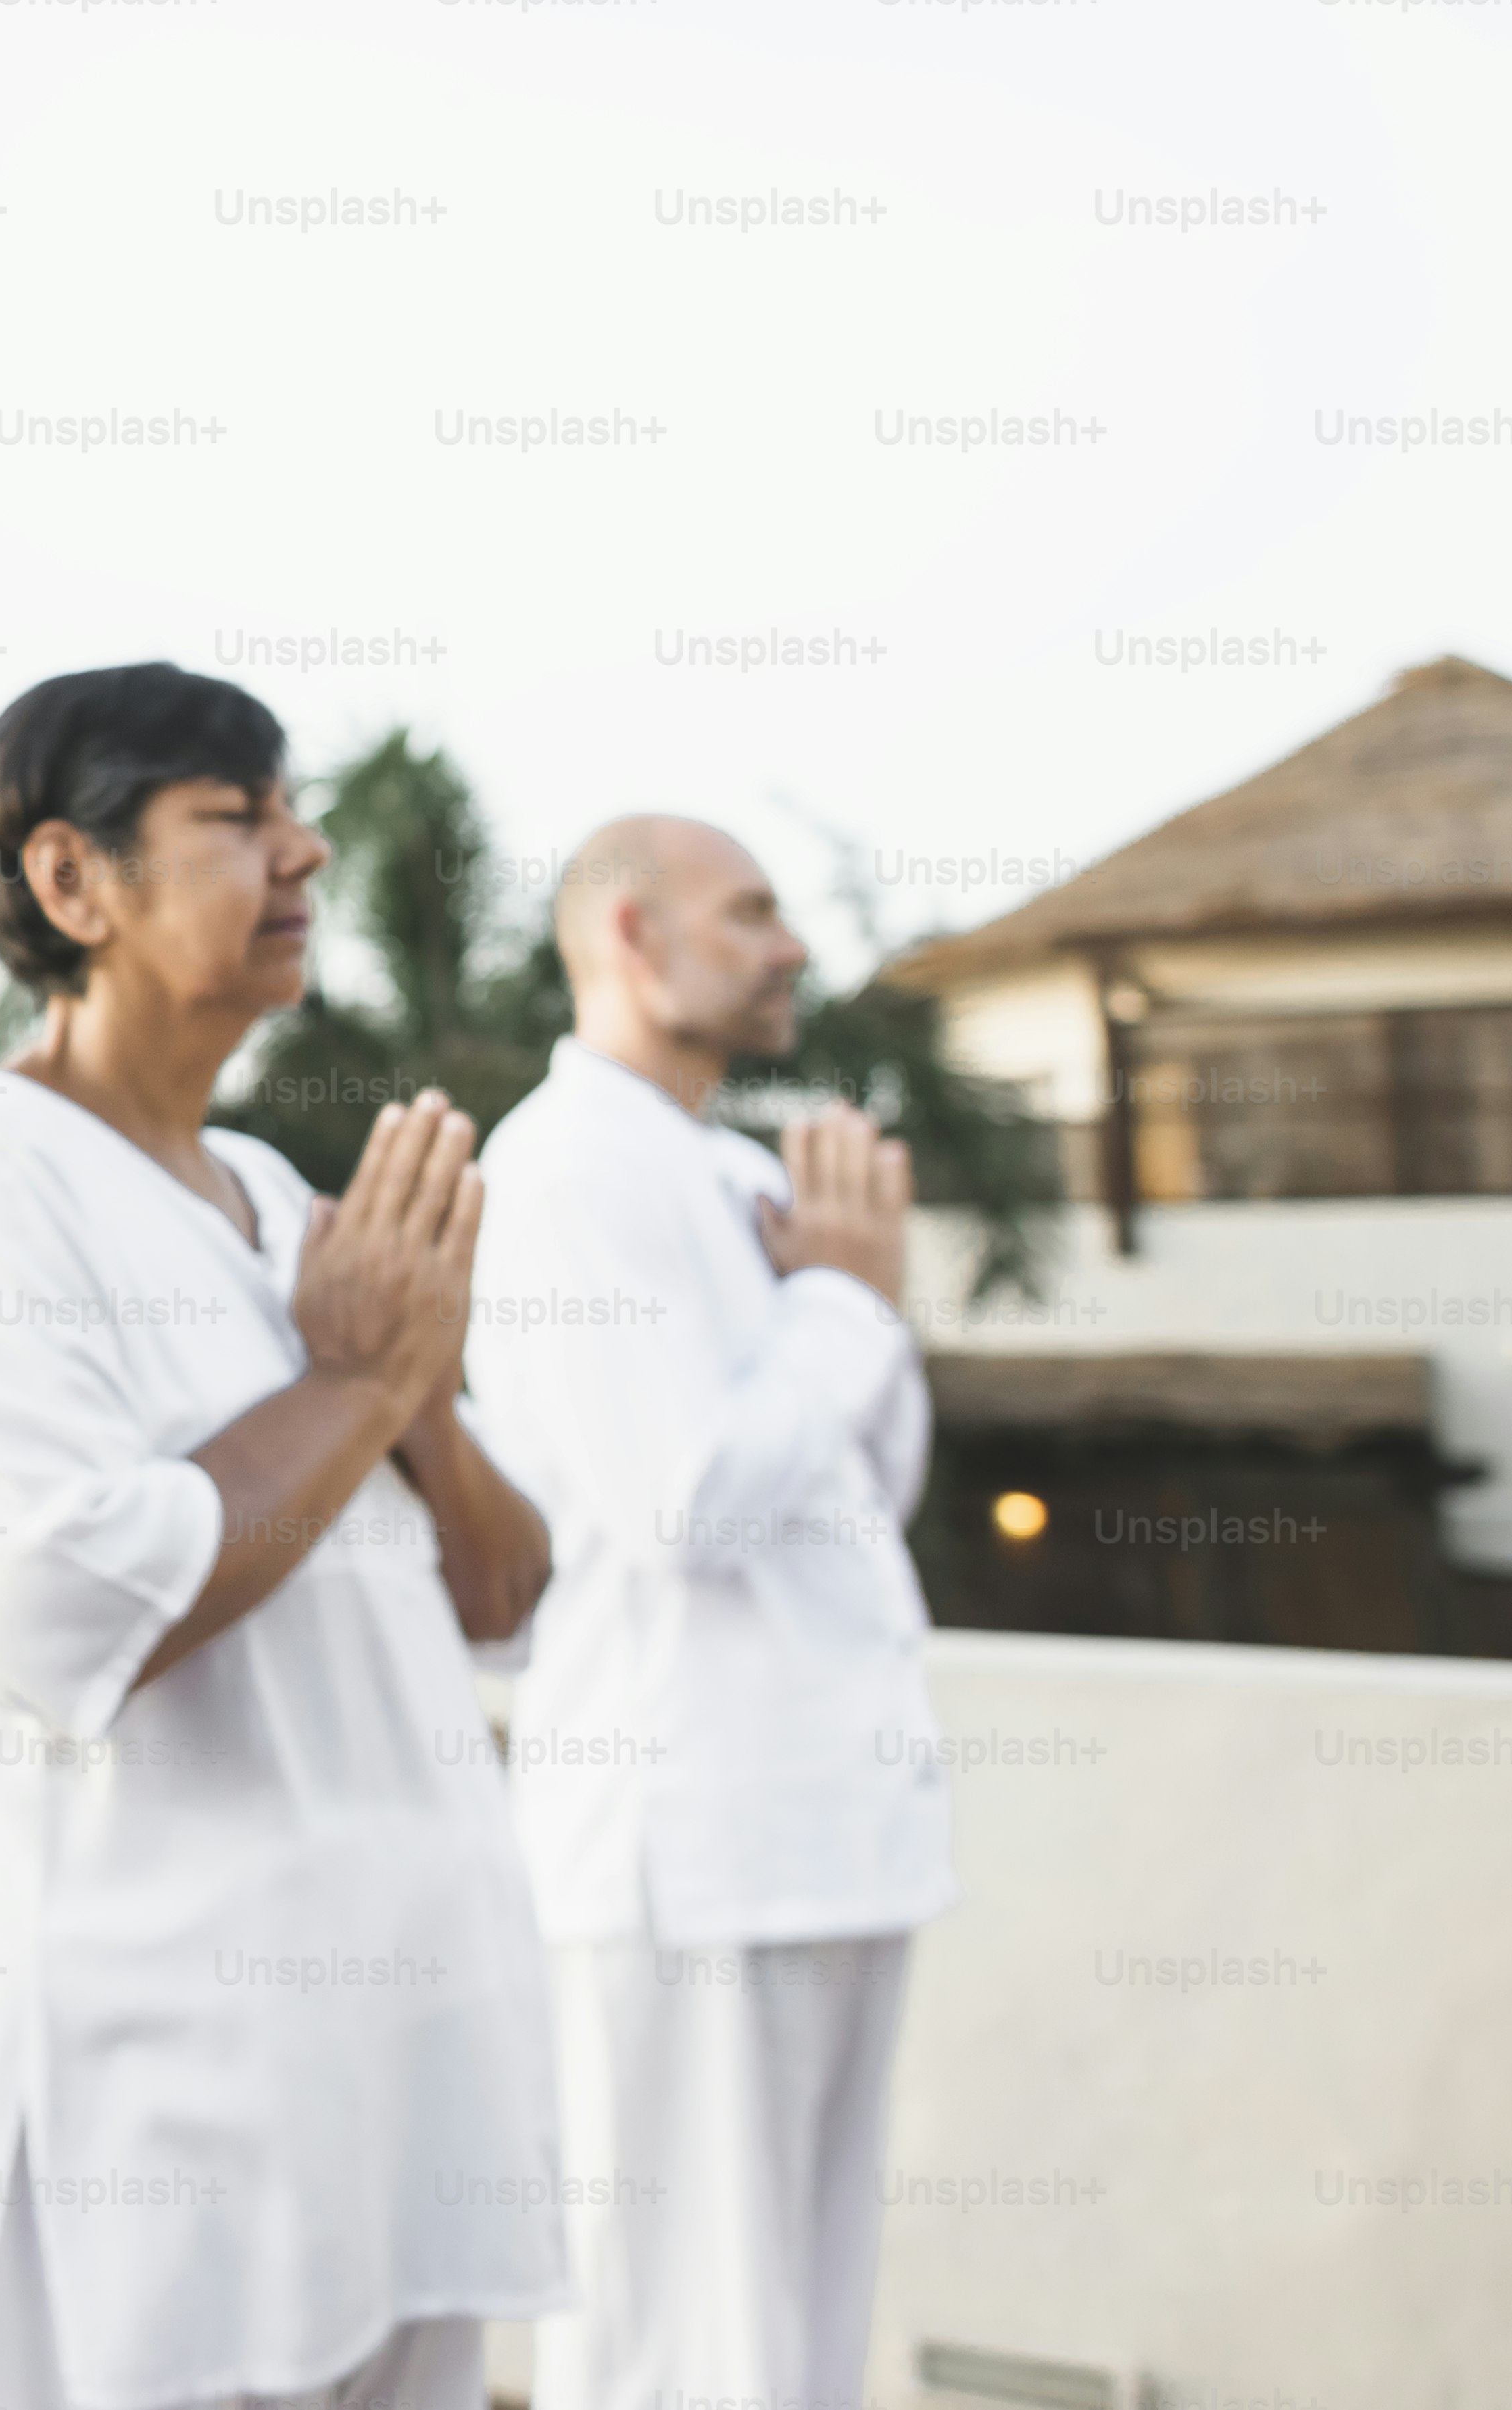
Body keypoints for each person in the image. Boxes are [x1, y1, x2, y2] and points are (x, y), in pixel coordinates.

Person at [0, 663, 567, 2410]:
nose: (302, 851)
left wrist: (406, 1383)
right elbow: (44, 1596)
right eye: (235, 819)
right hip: (148, 2114)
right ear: (70, 882)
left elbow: (501, 1584)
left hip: (398, 2078)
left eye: (289, 809)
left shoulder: (278, 1201)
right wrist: (350, 1379)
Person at [462, 817, 956, 2410]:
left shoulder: (736, 1168)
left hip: (827, 1831)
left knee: (804, 2336)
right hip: (690, 1849)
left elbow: (867, 1483)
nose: (790, 948)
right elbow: (684, 1502)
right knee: (682, 2342)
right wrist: (840, 1301)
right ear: (629, 934)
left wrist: (851, 1297)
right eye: (748, 914)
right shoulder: (560, 1170)